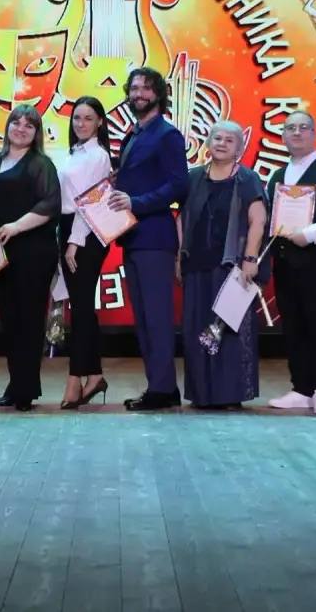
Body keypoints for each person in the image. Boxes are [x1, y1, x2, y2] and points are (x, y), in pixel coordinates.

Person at [108, 67, 189, 411]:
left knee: (156, 318)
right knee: (144, 318)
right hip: (134, 237)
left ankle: (162, 389)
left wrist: (136, 202)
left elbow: (179, 185)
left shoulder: (167, 135)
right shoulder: (134, 134)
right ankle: (161, 386)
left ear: (159, 94)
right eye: (134, 88)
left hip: (155, 237)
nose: (138, 94)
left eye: (146, 88)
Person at [176, 122, 267, 410]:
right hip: (196, 265)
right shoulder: (193, 177)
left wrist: (250, 258)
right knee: (196, 329)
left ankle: (229, 395)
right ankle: (202, 394)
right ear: (208, 142)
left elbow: (258, 220)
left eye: (230, 140)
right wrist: (179, 256)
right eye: (217, 138)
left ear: (239, 147)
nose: (222, 143)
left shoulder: (247, 179)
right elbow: (182, 219)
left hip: (231, 267)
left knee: (228, 330)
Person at [265, 110, 316, 415]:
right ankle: (301, 388)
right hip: (284, 261)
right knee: (293, 324)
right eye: (290, 128)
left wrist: (310, 234)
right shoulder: (277, 176)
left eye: (303, 127)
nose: (296, 133)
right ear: (283, 135)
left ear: (314, 133)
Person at [0, 105, 61, 412]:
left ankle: (25, 390)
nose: (21, 128)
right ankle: (16, 386)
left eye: (30, 125)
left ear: (36, 133)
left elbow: (50, 204)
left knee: (29, 321)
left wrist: (15, 226)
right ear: (7, 126)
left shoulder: (41, 164)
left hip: (34, 251)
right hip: (0, 254)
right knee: (10, 321)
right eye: (16, 122)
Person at [57, 96, 114, 409]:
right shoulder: (73, 153)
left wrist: (75, 240)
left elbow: (90, 200)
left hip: (86, 233)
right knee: (80, 306)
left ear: (100, 122)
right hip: (68, 228)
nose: (81, 123)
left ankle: (74, 379)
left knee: (79, 309)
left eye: (88, 118)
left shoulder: (98, 156)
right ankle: (94, 375)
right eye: (77, 118)